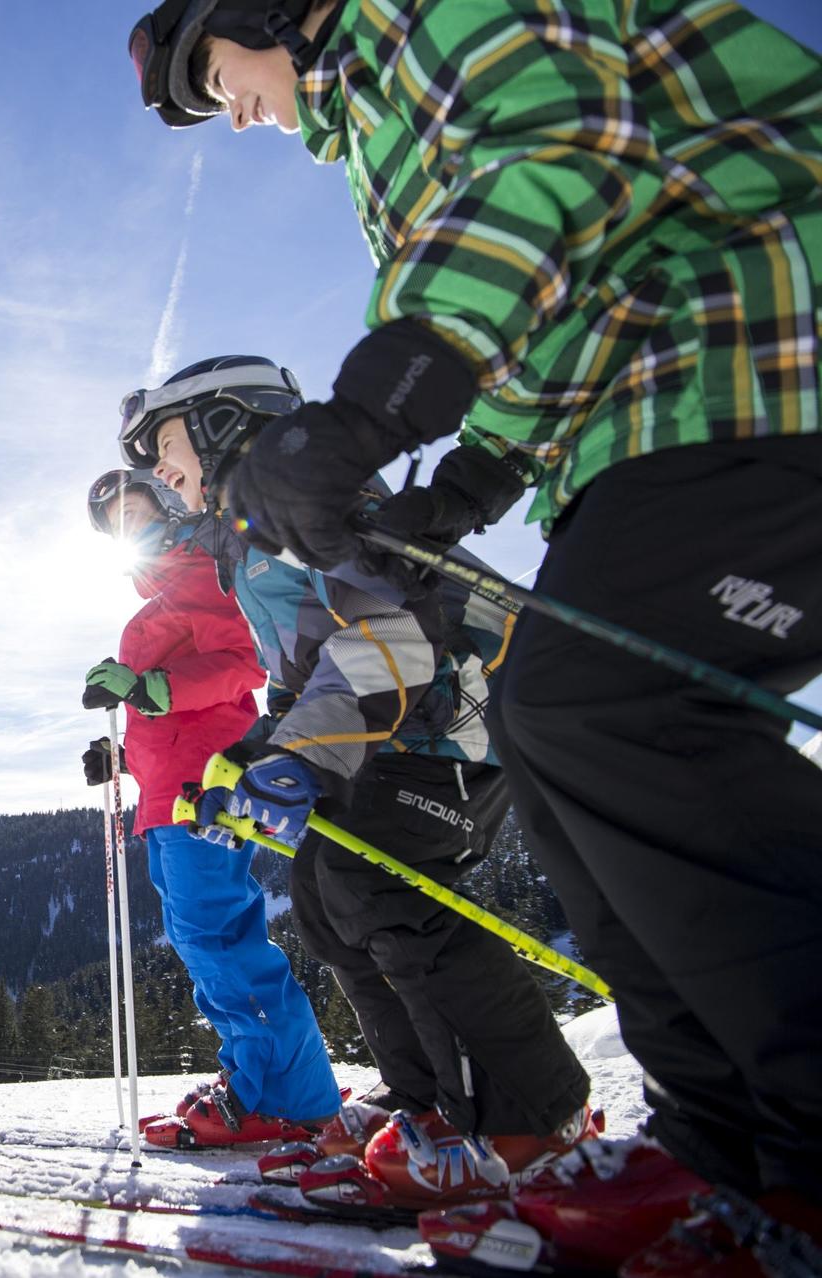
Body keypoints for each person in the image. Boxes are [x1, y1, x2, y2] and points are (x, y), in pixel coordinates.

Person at [127, 0, 822, 1269]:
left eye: (216, 73)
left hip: (767, 353)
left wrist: (371, 412)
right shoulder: (382, 131)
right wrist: (472, 482)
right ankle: (731, 1155)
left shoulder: (427, 20)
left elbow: (545, 163)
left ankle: (742, 1145)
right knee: (560, 734)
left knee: (608, 718)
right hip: (655, 403)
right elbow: (587, 293)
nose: (232, 109)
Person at [116, 357, 594, 1210]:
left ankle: (532, 1117)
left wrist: (297, 756)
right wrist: (259, 753)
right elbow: (306, 676)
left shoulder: (304, 494)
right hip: (390, 730)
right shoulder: (247, 531)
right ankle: (427, 1104)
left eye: (163, 442)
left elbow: (395, 637)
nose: (156, 468)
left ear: (226, 421)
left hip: (461, 716)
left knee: (379, 887)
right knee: (330, 901)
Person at [79, 468, 340, 1146]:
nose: (127, 529)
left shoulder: (202, 572)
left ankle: (281, 1098)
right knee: (205, 943)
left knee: (219, 940)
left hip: (206, 793)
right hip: (169, 796)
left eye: (135, 511)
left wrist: (150, 686)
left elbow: (243, 663)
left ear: (168, 505)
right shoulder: (155, 601)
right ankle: (264, 1080)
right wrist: (122, 758)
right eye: (116, 526)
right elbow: (168, 719)